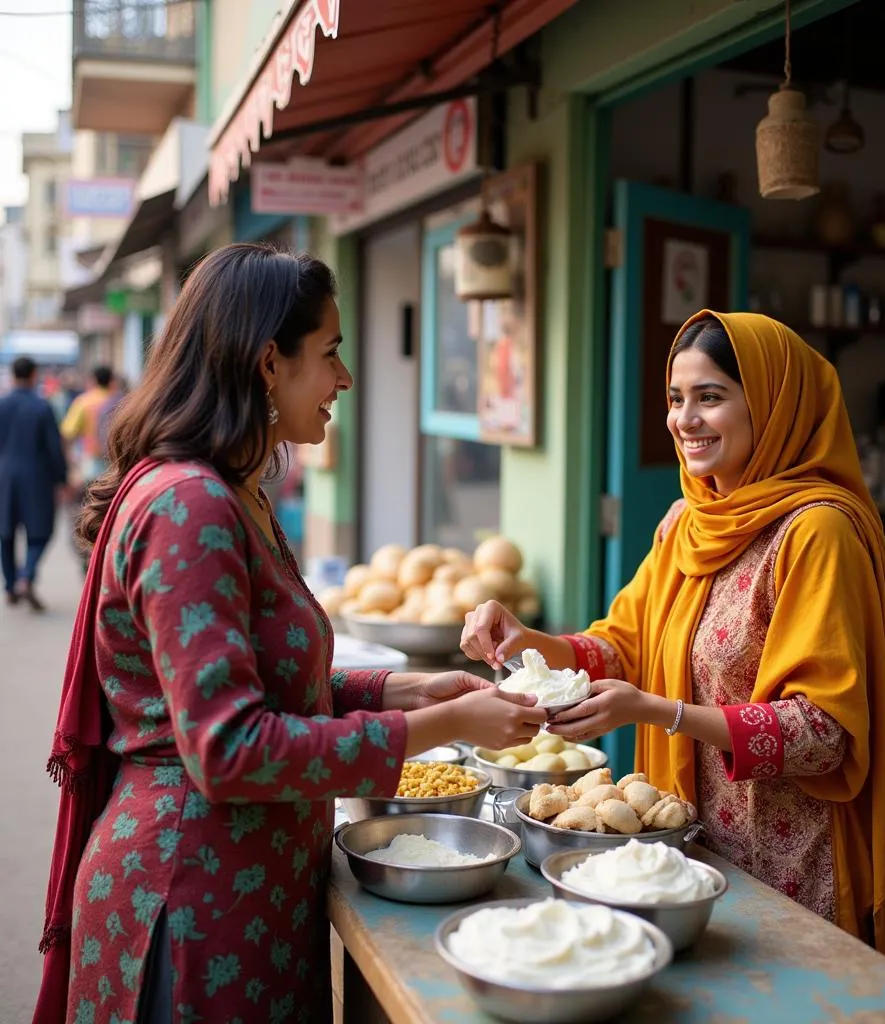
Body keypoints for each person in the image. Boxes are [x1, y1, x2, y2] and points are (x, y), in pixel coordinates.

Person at [35, 243, 548, 1024]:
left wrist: (401, 688)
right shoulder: (190, 508)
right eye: (332, 351)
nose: (344, 377)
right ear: (269, 362)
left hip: (246, 896)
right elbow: (229, 747)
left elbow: (267, 686)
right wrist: (436, 725)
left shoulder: (238, 493)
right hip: (191, 908)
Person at [461, 310, 885, 970]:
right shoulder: (694, 522)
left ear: (774, 404)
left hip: (795, 873)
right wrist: (529, 643)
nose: (684, 420)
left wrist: (658, 712)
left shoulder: (816, 535)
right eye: (676, 398)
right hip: (689, 852)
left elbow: (823, 730)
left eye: (710, 397)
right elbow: (623, 643)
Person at [0, 355, 68, 610]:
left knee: (4, 533)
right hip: (37, 478)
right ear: (32, 375)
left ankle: (10, 586)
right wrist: (62, 478)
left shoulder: (2, 404)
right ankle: (26, 576)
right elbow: (54, 447)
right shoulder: (42, 406)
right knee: (40, 532)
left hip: (4, 477)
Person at [60, 363, 114, 488]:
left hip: (91, 459)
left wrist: (69, 460)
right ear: (111, 381)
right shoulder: (119, 400)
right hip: (115, 461)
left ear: (93, 380)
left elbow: (68, 432)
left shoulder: (83, 402)